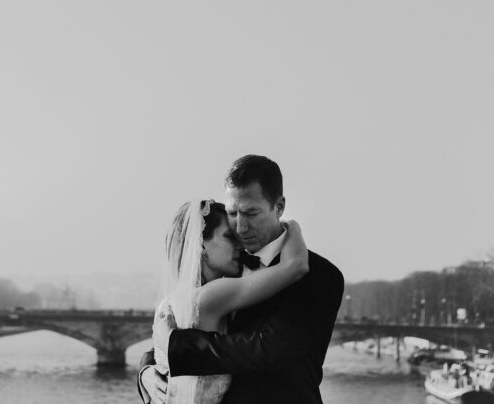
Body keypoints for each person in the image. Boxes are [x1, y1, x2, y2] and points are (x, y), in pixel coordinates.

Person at [139, 154, 345, 404]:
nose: (241, 227)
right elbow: (179, 327)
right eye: (233, 213)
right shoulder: (224, 266)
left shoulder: (321, 276)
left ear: (279, 207)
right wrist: (147, 371)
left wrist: (178, 349)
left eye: (251, 213)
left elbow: (271, 350)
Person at [152, 198, 309, 403]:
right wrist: (292, 227)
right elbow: (295, 266)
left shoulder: (168, 304)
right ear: (201, 245)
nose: (240, 245)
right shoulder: (210, 297)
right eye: (229, 237)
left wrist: (146, 373)